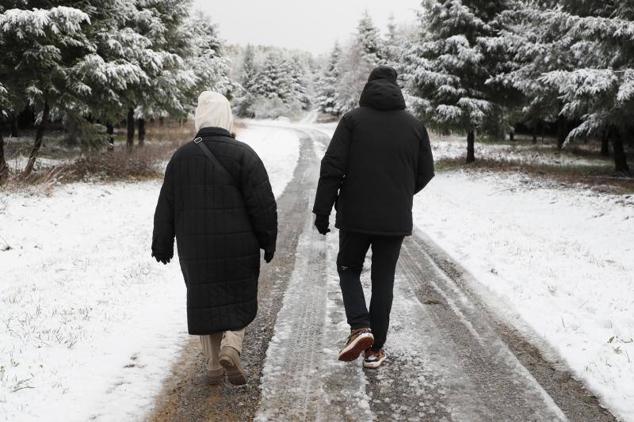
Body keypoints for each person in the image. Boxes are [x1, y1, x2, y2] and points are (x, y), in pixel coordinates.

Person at [313, 66, 435, 369]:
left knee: (348, 267)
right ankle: (374, 350)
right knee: (383, 281)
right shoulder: (415, 126)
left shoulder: (352, 120)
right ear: (397, 88)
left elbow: (332, 167)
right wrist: (401, 194)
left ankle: (359, 327)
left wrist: (322, 209)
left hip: (354, 214)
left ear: (368, 87)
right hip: (394, 220)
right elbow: (426, 172)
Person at [152, 91, 277, 385]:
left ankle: (212, 365)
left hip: (195, 247)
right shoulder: (244, 155)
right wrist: (267, 239)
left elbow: (165, 205)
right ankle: (231, 346)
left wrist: (162, 242)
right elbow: (263, 204)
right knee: (239, 295)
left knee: (207, 298)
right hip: (238, 244)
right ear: (227, 118)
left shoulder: (181, 157)